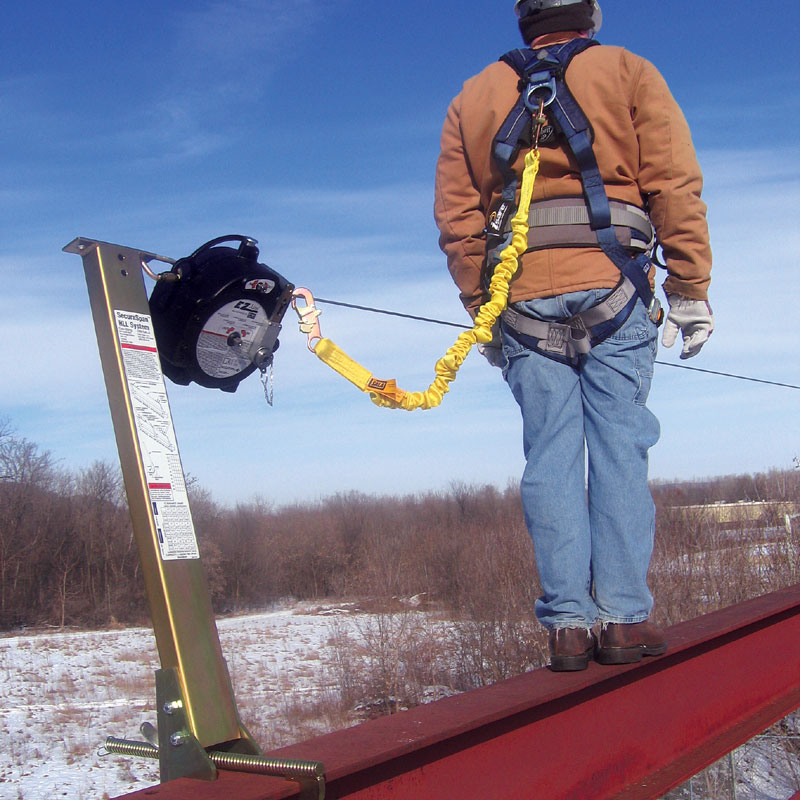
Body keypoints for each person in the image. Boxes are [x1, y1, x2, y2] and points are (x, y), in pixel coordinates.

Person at [434, 0, 713, 671]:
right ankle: (621, 620)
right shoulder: (628, 71)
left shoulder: (472, 98)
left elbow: (458, 219)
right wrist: (690, 288)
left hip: (521, 299)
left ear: (524, 23)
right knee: (619, 449)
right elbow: (674, 185)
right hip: (615, 284)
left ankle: (567, 628)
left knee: (551, 458)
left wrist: (484, 307)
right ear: (589, 16)